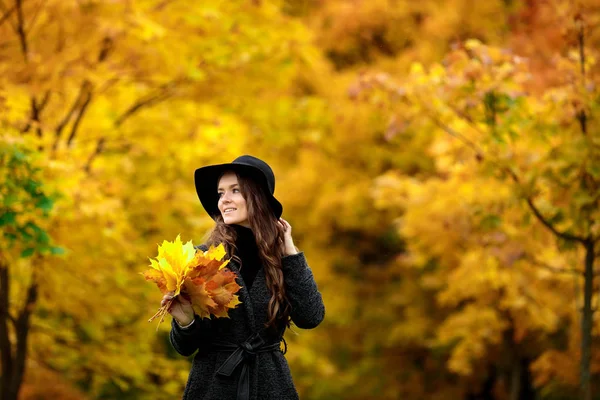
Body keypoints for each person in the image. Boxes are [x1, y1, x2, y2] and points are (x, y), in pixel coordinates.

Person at [161, 155, 326, 400]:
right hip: (212, 385)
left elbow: (311, 317)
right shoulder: (203, 259)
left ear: (258, 197)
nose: (224, 200)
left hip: (270, 384)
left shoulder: (283, 261)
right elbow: (184, 347)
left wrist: (291, 253)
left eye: (235, 190)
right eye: (220, 193)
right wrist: (186, 322)